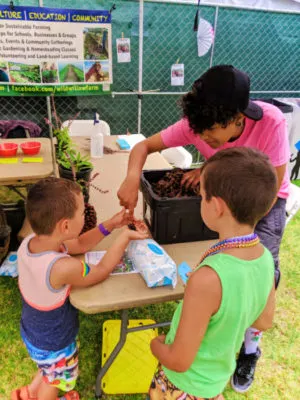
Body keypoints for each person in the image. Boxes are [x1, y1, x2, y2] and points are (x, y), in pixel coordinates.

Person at [118, 65, 290, 393]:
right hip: (225, 197)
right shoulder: (197, 125)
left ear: (238, 120)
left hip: (261, 203)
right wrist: (132, 179)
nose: (202, 139)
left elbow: (271, 188)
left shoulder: (271, 123)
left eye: (210, 134)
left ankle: (249, 349)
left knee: (260, 263)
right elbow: (143, 147)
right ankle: (216, 320)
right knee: (228, 272)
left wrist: (238, 242)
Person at [148, 147, 276, 400]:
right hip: (213, 384)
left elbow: (179, 361)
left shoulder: (208, 279)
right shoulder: (264, 258)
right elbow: (263, 322)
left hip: (181, 387)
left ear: (216, 206)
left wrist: (156, 344)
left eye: (202, 194)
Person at [11, 177, 147, 400]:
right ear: (65, 226)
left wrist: (110, 225)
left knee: (48, 369)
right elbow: (101, 271)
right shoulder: (62, 268)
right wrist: (124, 238)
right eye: (83, 213)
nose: (86, 216)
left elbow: (81, 245)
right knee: (55, 378)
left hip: (33, 331)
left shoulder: (31, 241)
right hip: (55, 341)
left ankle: (31, 391)